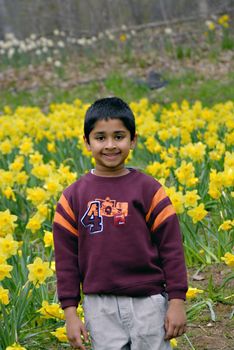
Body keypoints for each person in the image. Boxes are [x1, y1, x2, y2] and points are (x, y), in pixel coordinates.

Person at [53, 97, 188, 350]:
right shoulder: (72, 197)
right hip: (98, 305)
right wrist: (70, 313)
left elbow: (172, 249)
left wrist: (177, 301)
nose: (110, 145)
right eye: (100, 138)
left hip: (148, 301)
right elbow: (66, 261)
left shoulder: (150, 190)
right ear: (87, 143)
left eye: (119, 136)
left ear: (133, 139)